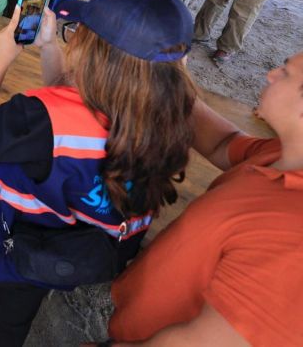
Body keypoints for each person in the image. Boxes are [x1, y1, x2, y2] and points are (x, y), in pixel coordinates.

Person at [0, 0, 197, 347]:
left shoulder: (37, 117)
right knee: (11, 317)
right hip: (51, 253)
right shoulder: (169, 125)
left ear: (93, 54)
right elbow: (72, 103)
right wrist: (48, 46)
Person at [107, 53, 303, 346]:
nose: (270, 74)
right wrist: (168, 76)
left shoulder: (293, 235)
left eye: (286, 73)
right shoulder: (284, 153)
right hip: (142, 315)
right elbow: (223, 143)